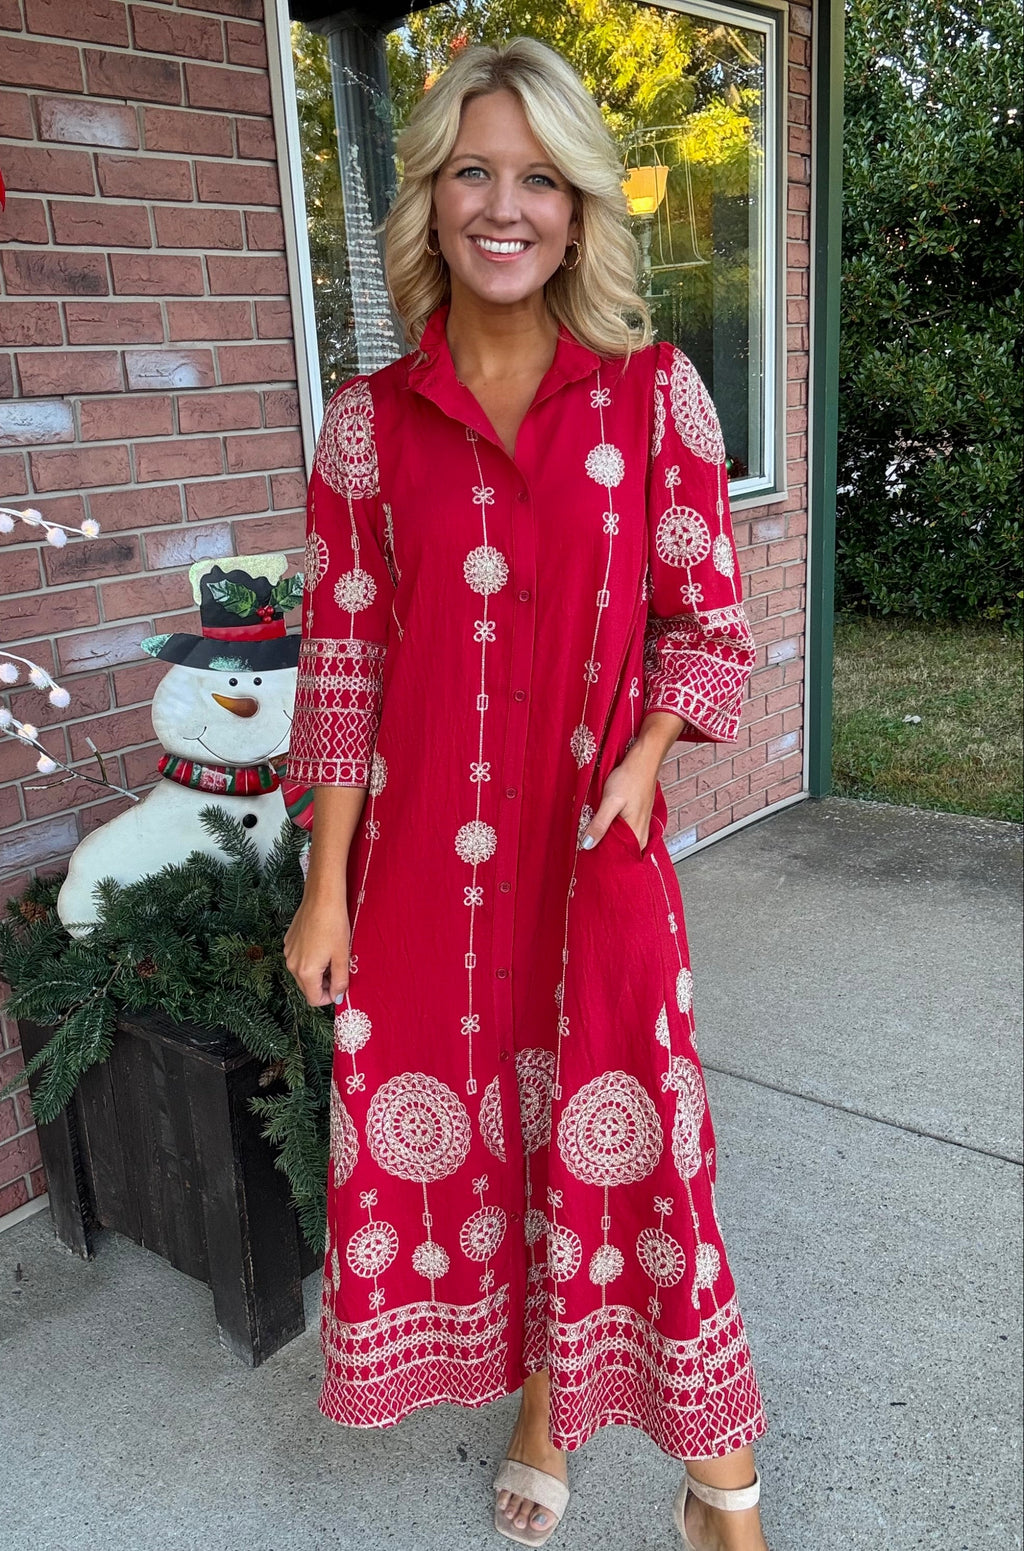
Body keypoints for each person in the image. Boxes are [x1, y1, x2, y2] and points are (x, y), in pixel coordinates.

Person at [284, 35, 770, 1551]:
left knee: (641, 1162)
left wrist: (638, 765)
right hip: (420, 877)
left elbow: (712, 622)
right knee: (489, 1153)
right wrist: (323, 886)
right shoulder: (369, 423)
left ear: (579, 208)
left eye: (539, 178)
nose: (505, 206)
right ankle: (544, 1408)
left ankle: (721, 1488)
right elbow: (345, 659)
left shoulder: (651, 398)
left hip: (598, 856)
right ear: (432, 201)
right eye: (474, 174)